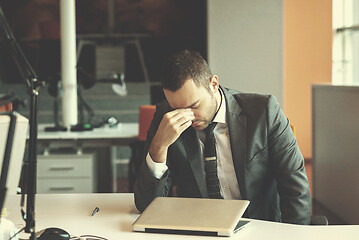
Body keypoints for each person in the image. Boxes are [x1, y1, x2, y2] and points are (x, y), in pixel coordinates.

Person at [134, 49, 311, 225]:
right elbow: (147, 207)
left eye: (194, 105)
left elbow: (296, 190)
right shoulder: (166, 118)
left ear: (213, 84)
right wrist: (158, 146)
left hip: (260, 227)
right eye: (177, 109)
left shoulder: (264, 112)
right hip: (200, 230)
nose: (188, 116)